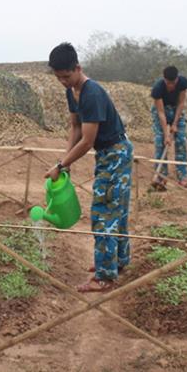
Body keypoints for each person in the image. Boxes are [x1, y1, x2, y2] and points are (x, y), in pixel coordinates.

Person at [45, 42, 133, 292]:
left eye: (66, 76)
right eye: (58, 77)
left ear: (78, 68)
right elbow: (75, 127)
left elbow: (87, 141)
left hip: (115, 153)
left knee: (104, 211)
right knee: (115, 208)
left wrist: (61, 164)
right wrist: (64, 163)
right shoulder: (71, 92)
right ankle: (116, 261)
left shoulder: (92, 93)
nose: (63, 81)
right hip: (107, 153)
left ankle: (105, 275)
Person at [150, 66, 187, 189]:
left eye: (173, 83)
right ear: (164, 79)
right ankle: (161, 178)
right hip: (161, 112)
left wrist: (175, 123)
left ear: (177, 79)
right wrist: (166, 135)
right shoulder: (157, 88)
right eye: (168, 83)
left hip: (177, 110)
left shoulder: (183, 82)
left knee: (181, 142)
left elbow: (181, 103)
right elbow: (161, 113)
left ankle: (182, 177)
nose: (171, 86)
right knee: (160, 143)